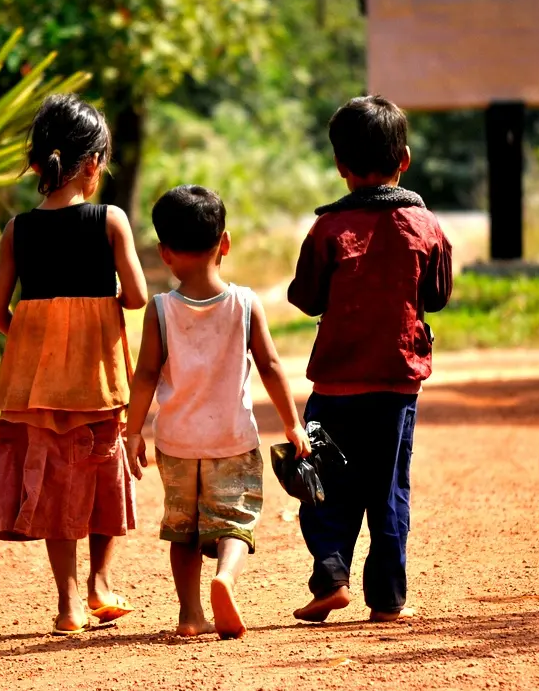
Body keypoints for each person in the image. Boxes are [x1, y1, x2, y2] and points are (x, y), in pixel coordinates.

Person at [0, 94, 148, 636]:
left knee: (53, 482)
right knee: (102, 474)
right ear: (93, 165)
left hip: (37, 385)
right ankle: (101, 583)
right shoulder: (110, 220)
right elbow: (138, 297)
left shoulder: (17, 229)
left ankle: (68, 603)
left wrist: (33, 337)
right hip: (98, 380)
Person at [287, 95, 453, 624]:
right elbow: (440, 293)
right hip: (396, 385)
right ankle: (387, 599)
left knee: (324, 481)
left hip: (334, 386)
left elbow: (307, 298)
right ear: (403, 159)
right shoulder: (425, 226)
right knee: (388, 489)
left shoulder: (326, 231)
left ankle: (331, 575)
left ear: (340, 167)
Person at [125, 185, 310, 640]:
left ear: (165, 253)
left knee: (182, 530)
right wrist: (292, 423)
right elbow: (269, 365)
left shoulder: (160, 310)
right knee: (235, 519)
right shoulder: (245, 304)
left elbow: (146, 375)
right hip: (232, 439)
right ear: (224, 243)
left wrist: (132, 433)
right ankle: (225, 577)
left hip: (176, 443)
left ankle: (190, 615)